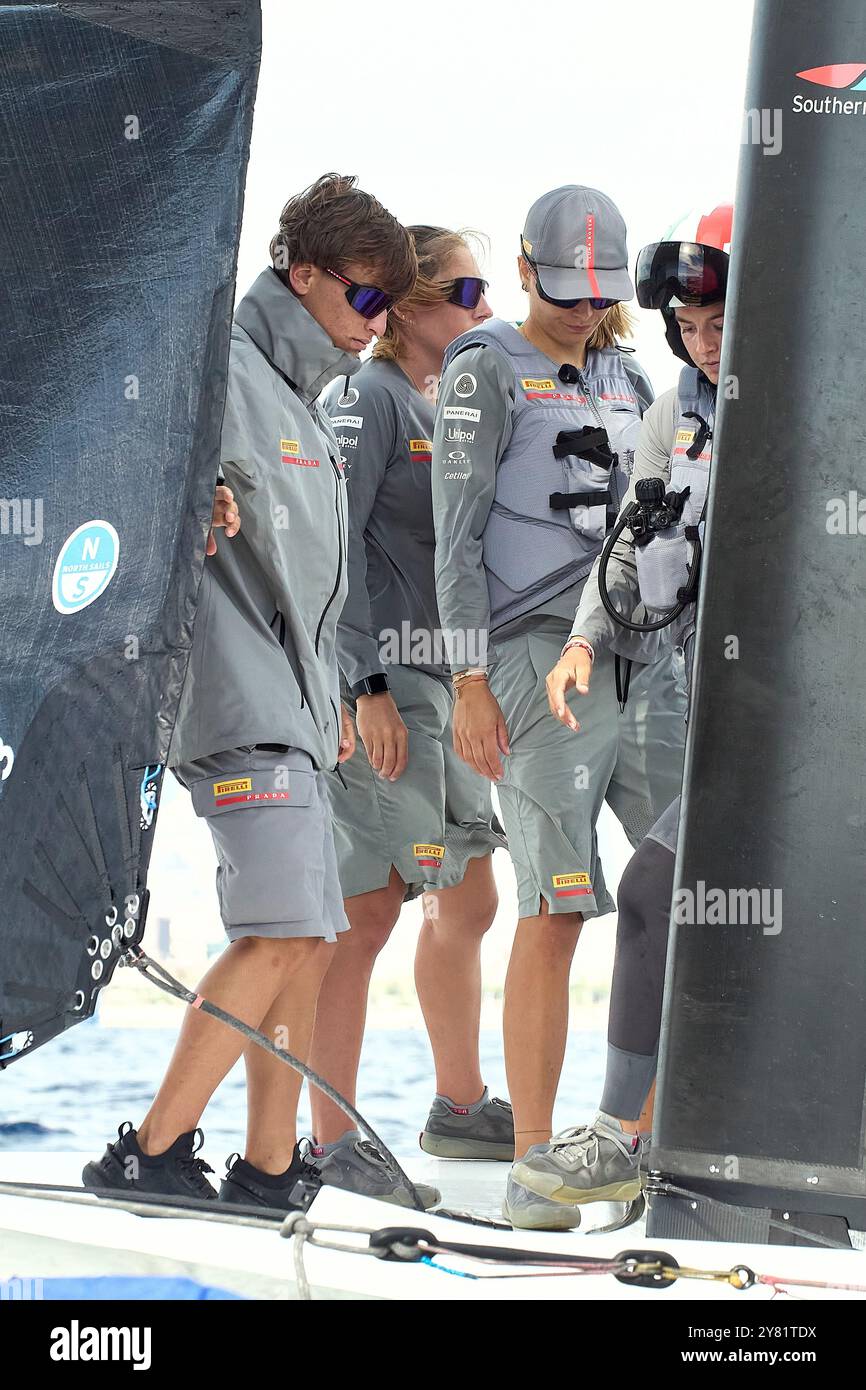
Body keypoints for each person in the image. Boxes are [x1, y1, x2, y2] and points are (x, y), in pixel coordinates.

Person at [82, 174, 417, 1210]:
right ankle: (147, 1150)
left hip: (292, 715)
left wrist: (330, 709)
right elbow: (119, 448)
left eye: (389, 308)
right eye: (363, 298)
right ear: (299, 273)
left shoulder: (309, 413)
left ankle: (271, 1167)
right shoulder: (212, 369)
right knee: (275, 933)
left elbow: (312, 594)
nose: (376, 325)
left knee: (308, 939)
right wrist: (182, 489)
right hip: (230, 703)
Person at [430, 186, 688, 1229]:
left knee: (686, 894)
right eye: (566, 290)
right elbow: (447, 539)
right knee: (556, 905)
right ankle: (532, 1164)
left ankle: (648, 1145)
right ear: (528, 273)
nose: (583, 310)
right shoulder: (483, 369)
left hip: (648, 657)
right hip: (532, 663)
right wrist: (465, 682)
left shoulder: (635, 376)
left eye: (601, 294)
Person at [512, 205, 732, 1229]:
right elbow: (631, 537)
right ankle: (628, 1137)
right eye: (687, 323)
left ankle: (636, 1135)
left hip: (817, 723)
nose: (704, 338)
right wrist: (580, 641)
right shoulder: (672, 416)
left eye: (720, 317)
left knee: (661, 886)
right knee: (656, 889)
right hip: (721, 712)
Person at [309, 228, 513, 1200]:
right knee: (363, 915)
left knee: (468, 898)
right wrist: (362, 689)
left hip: (446, 689)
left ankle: (459, 1108)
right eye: (464, 289)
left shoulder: (443, 402)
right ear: (409, 303)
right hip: (384, 687)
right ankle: (328, 1144)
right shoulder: (366, 397)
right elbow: (325, 546)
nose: (481, 310)